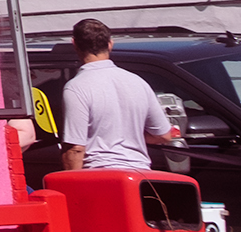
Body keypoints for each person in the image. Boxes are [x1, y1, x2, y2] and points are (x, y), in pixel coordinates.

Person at [59, 18, 180, 172]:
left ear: (74, 44)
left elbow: (75, 148)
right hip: (140, 174)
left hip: (99, 174)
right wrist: (127, 138)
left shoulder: (76, 87)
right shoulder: (138, 82)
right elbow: (164, 135)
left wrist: (72, 187)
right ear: (110, 44)